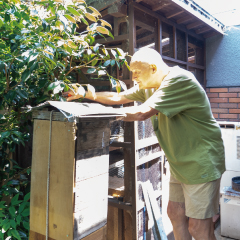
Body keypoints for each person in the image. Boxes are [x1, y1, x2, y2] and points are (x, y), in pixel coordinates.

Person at [63, 48, 225, 240]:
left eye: (137, 73)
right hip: (180, 162)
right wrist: (88, 95)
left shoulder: (179, 80)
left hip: (201, 161)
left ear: (154, 68)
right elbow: (118, 97)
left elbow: (142, 113)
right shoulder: (150, 86)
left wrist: (94, 113)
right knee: (175, 213)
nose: (134, 78)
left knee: (199, 228)